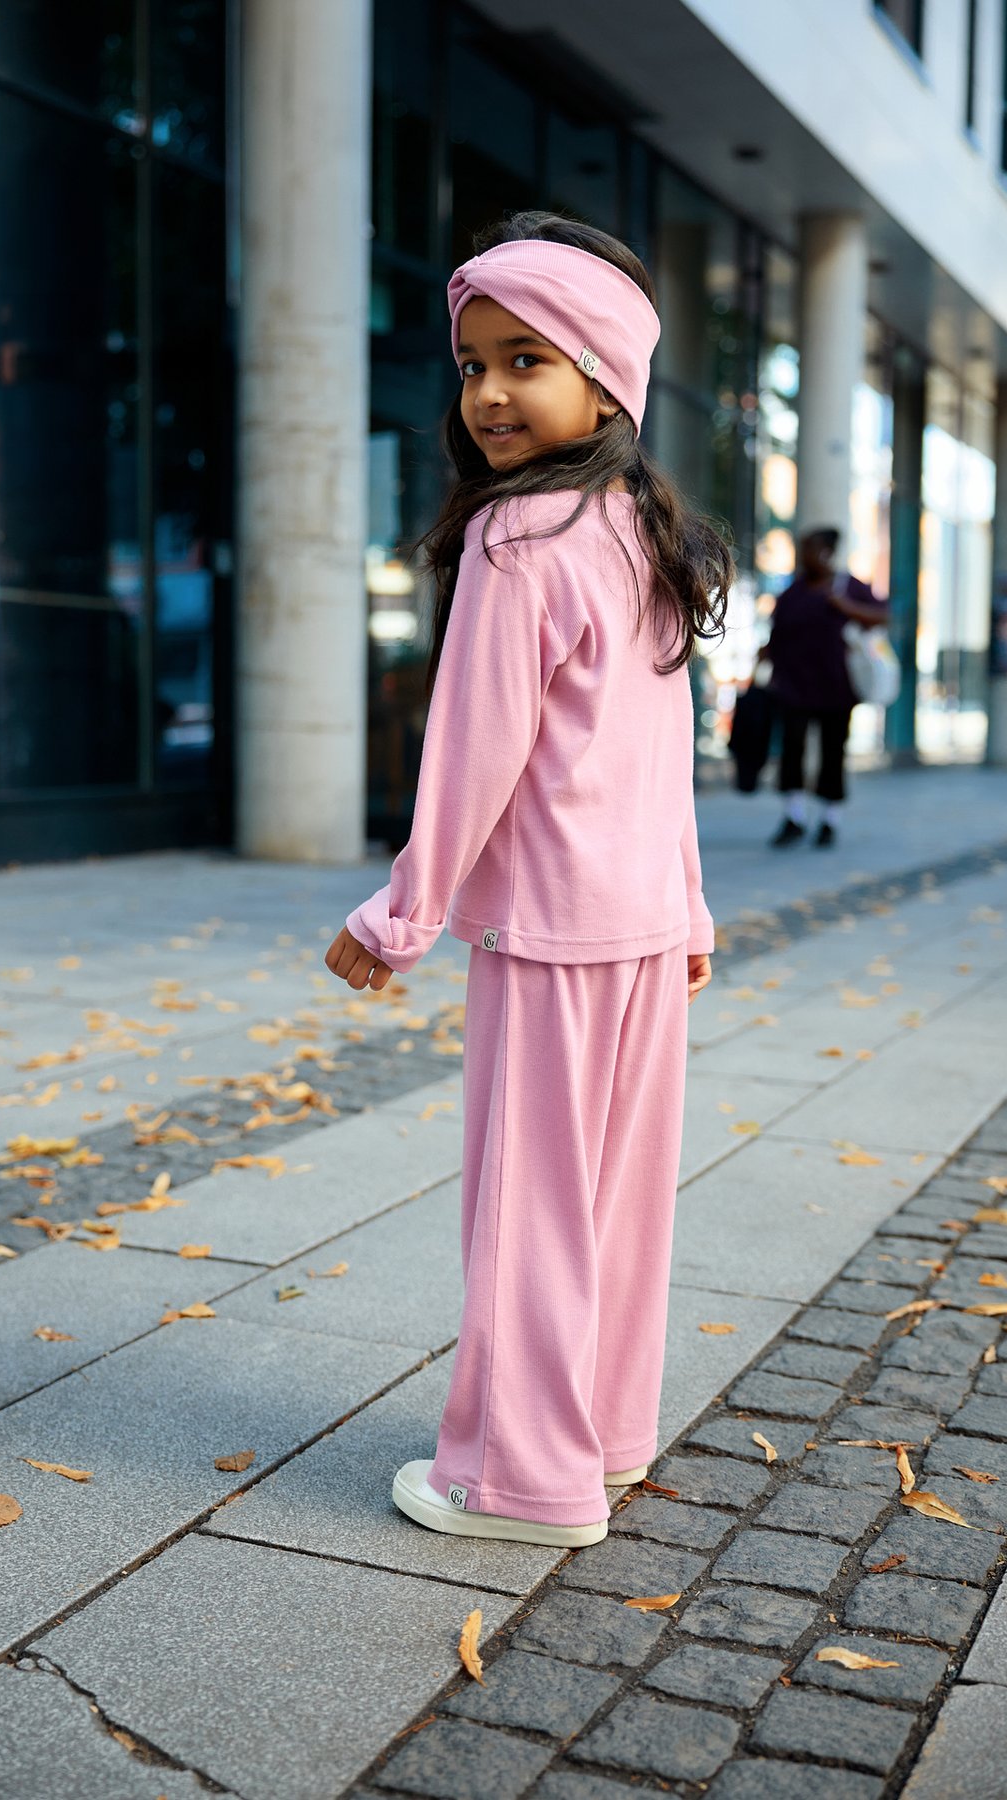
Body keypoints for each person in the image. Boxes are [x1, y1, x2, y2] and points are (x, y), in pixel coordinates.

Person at [324, 212, 734, 1550]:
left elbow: (471, 757)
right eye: (471, 364)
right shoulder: (638, 526)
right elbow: (663, 756)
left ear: (605, 379)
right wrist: (691, 903)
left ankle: (520, 1484)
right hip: (639, 935)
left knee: (529, 1220)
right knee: (612, 1212)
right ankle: (603, 1443)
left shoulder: (519, 540)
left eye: (525, 360)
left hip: (556, 943)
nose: (488, 391)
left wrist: (401, 914)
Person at [760, 526, 888, 848]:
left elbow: (881, 616)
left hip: (837, 688)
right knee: (793, 751)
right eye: (802, 549)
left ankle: (830, 820)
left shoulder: (848, 587)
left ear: (827, 552)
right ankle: (795, 817)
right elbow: (777, 634)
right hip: (794, 687)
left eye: (810, 549)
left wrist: (846, 607)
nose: (805, 556)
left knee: (833, 753)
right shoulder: (794, 591)